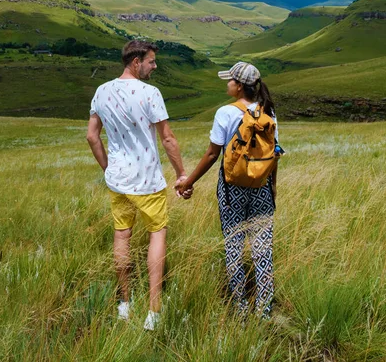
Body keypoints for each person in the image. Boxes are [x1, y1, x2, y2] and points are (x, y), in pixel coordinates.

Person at [86, 40, 191, 330]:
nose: (155, 66)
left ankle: (124, 304)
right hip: (147, 180)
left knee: (122, 237)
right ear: (136, 61)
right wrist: (181, 174)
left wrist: (109, 168)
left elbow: (92, 137)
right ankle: (153, 312)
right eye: (152, 61)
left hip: (118, 181)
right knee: (157, 234)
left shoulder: (101, 91)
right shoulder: (150, 93)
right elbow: (167, 138)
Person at [178, 61, 279, 318]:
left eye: (229, 81)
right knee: (262, 247)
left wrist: (188, 182)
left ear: (238, 86)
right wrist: (272, 187)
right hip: (262, 187)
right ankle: (264, 310)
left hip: (232, 189)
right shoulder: (268, 112)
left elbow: (213, 155)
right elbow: (274, 154)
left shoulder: (226, 112)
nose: (227, 84)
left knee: (234, 245)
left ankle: (240, 307)